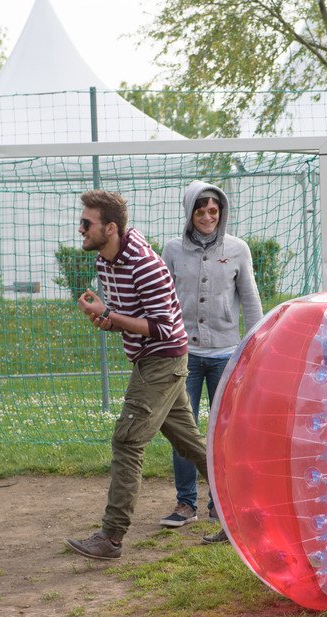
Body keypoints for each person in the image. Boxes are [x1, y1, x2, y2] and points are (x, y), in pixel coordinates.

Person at [65, 190, 211, 560]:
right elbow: (128, 317)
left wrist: (110, 316)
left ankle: (111, 537)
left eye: (86, 223)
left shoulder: (145, 265)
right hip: (151, 359)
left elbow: (163, 328)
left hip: (162, 359)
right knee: (191, 445)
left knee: (127, 441)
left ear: (110, 228)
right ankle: (245, 507)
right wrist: (106, 317)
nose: (80, 229)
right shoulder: (104, 261)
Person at [159, 181, 263, 543]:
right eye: (200, 210)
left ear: (221, 213)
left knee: (225, 433)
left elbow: (250, 298)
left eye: (213, 211)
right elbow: (163, 298)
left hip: (225, 355)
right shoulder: (172, 250)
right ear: (190, 212)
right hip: (184, 355)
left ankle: (221, 503)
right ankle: (185, 503)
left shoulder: (237, 249)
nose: (207, 217)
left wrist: (254, 344)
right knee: (183, 431)